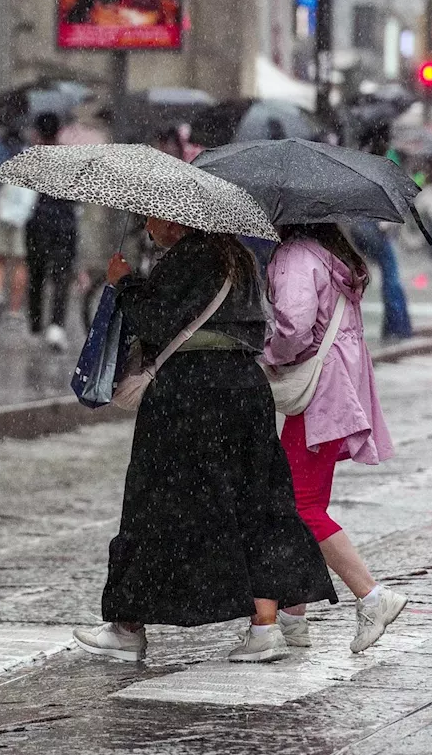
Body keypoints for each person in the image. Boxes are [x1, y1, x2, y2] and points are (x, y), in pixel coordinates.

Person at [73, 220, 336, 663]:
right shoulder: (240, 259)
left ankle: (127, 626)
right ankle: (265, 628)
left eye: (154, 217)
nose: (148, 225)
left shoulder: (192, 258)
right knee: (255, 504)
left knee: (154, 507)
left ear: (180, 221)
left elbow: (155, 320)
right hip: (244, 389)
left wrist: (124, 283)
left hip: (189, 394)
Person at [263, 222, 407, 654]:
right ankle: (293, 616)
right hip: (337, 392)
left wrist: (269, 355)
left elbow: (293, 327)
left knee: (299, 505)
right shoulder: (332, 255)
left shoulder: (296, 255)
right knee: (303, 504)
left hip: (317, 396)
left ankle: (371, 597)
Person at [349, 124, 413, 340]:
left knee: (386, 274)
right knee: (391, 275)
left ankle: (394, 325)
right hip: (376, 228)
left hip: (362, 227)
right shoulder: (384, 163)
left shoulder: (361, 160)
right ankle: (398, 326)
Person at [25, 113, 77, 351]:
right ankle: (56, 325)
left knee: (37, 273)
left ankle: (36, 323)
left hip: (38, 224)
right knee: (61, 276)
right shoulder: (69, 158)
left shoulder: (33, 158)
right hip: (64, 226)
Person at [0, 130, 33, 323]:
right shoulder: (31, 159)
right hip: (22, 217)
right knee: (19, 262)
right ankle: (14, 309)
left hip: (1, 213)